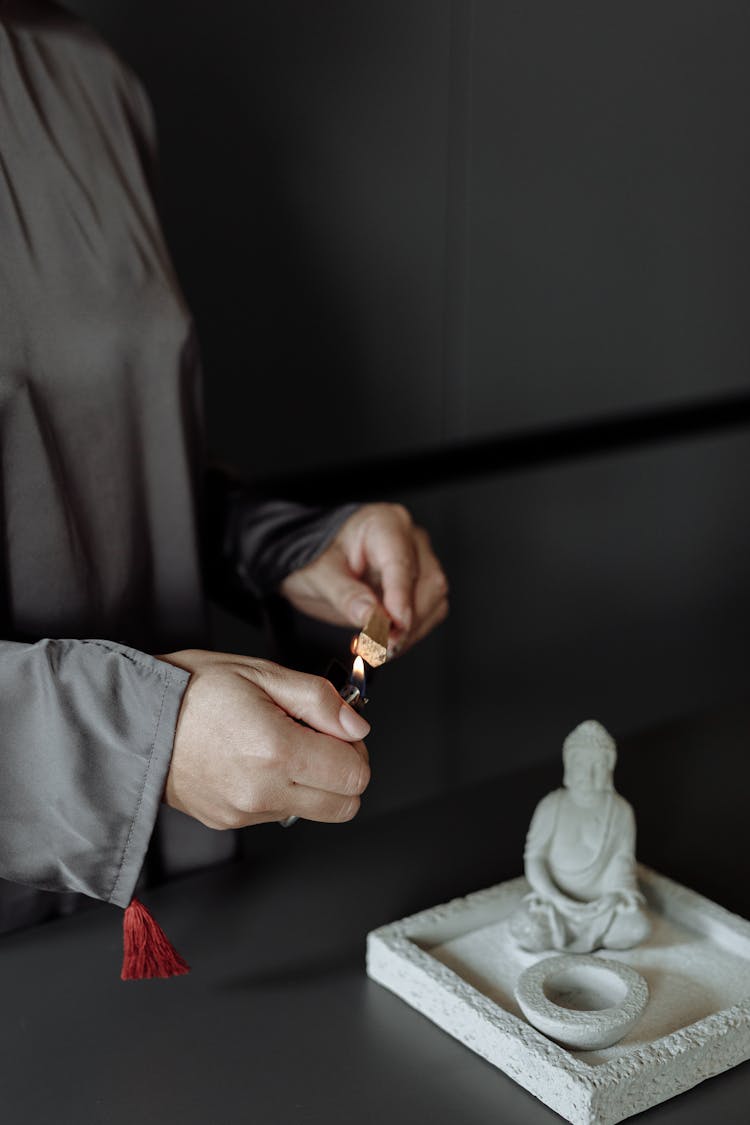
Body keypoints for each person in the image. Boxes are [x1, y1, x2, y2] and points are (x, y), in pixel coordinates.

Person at [0, 0, 449, 932]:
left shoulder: (86, 75)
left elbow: (85, 458)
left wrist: (283, 548)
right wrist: (134, 740)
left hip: (176, 878)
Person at [509, 720, 650, 953]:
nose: (588, 773)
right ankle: (560, 931)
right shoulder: (552, 805)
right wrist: (553, 895)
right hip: (555, 904)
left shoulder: (620, 810)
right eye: (580, 764)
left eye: (597, 765)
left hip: (602, 908)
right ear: (568, 766)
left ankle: (598, 935)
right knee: (525, 929)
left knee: (638, 928)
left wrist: (614, 896)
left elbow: (622, 860)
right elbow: (535, 858)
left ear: (609, 768)